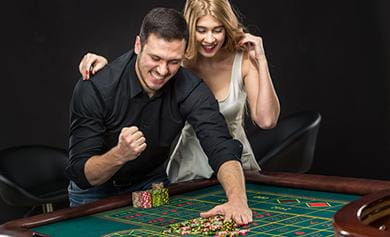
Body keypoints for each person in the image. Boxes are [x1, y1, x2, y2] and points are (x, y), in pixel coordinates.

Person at [67, 7, 252, 224]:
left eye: (173, 61)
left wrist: (238, 199)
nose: (162, 70)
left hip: (149, 183)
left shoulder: (191, 89)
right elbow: (82, 174)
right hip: (94, 191)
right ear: (138, 45)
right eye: (155, 58)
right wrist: (119, 154)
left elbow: (220, 145)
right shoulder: (97, 87)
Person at [79, 0, 280, 182]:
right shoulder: (177, 61)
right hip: (190, 163)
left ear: (227, 29)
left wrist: (261, 61)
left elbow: (266, 120)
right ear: (190, 29)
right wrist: (106, 70)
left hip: (232, 159)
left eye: (217, 30)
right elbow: (143, 62)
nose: (209, 39)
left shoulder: (243, 60)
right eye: (201, 30)